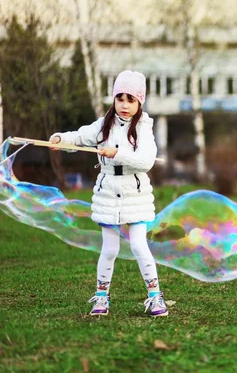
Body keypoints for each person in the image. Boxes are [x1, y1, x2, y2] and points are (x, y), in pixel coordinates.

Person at [50, 70, 168, 317]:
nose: (124, 105)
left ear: (139, 102)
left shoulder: (144, 129)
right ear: (114, 99)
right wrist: (62, 139)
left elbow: (145, 161)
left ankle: (155, 296)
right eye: (120, 98)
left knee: (138, 245)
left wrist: (117, 154)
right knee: (110, 249)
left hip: (136, 196)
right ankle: (101, 297)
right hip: (108, 195)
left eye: (131, 99)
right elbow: (81, 138)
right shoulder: (104, 125)